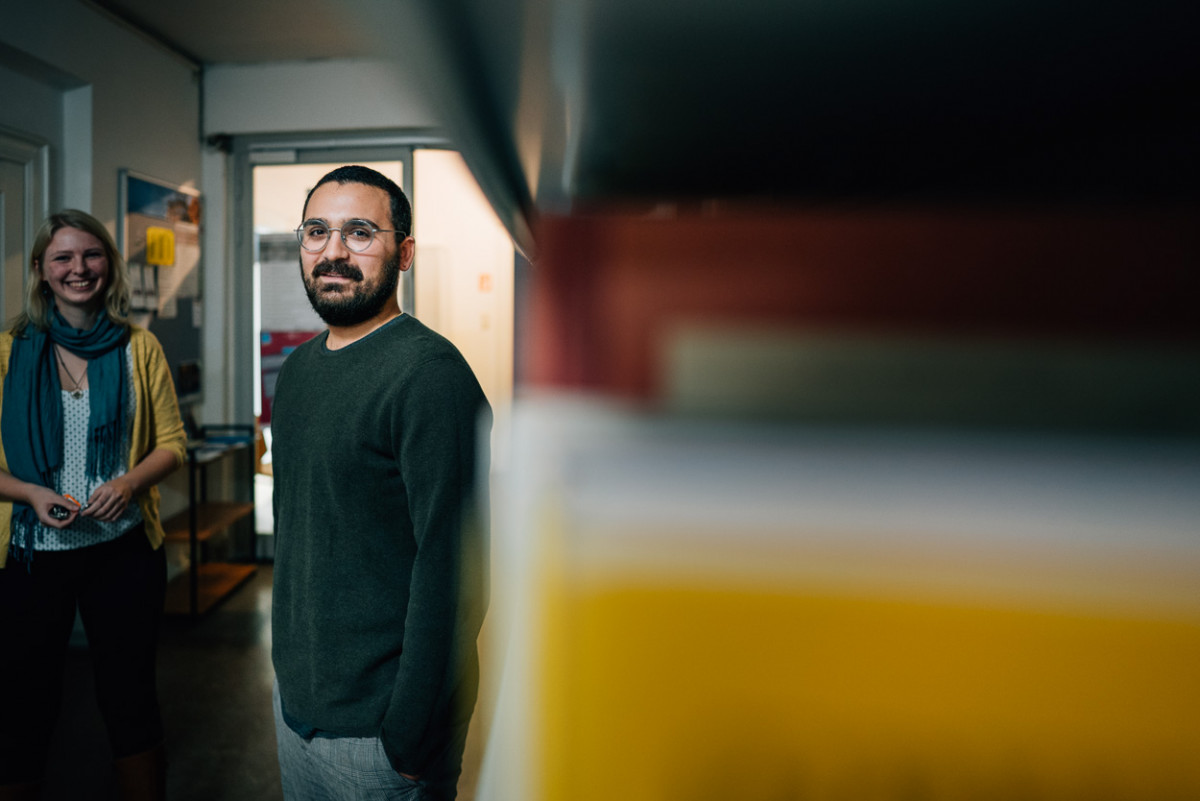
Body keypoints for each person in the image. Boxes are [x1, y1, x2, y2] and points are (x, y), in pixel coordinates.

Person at [270, 165, 491, 801]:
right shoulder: (298, 370)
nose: (333, 251)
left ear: (405, 254)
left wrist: (409, 736)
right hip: (300, 711)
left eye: (360, 232)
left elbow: (457, 569)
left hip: (380, 738)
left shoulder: (430, 378)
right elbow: (301, 537)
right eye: (317, 231)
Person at [0, 209, 187, 801]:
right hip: (31, 556)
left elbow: (173, 446)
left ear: (108, 264)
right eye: (63, 257)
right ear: (41, 271)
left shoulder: (140, 347)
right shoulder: (8, 353)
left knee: (129, 695)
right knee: (24, 702)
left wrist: (129, 484)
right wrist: (30, 492)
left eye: (91, 255)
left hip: (123, 551)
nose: (79, 268)